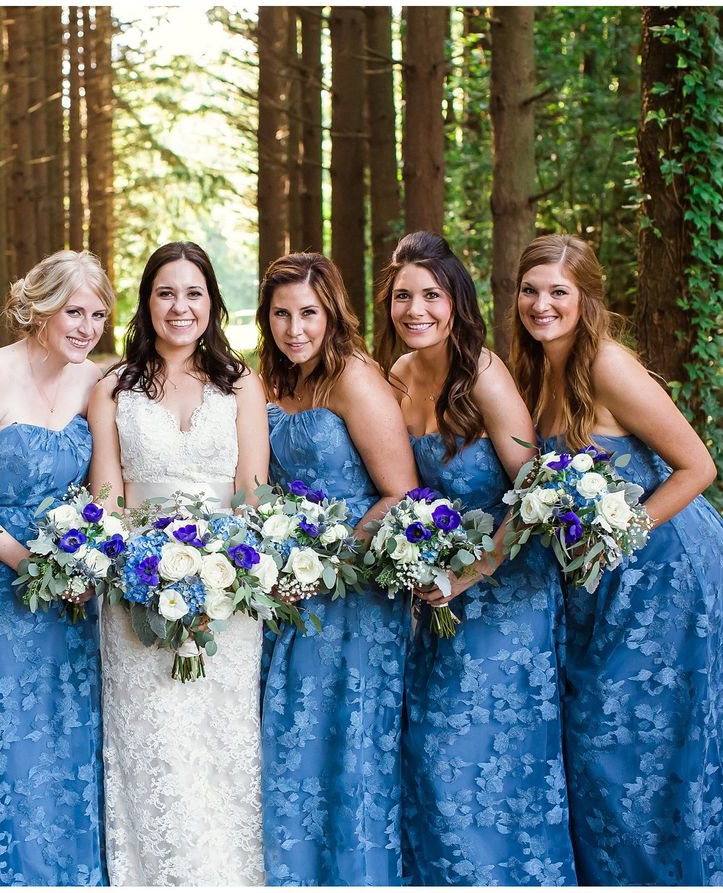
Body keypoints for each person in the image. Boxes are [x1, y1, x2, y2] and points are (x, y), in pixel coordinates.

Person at [510, 233, 723, 885]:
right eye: (530, 290)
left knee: (645, 739)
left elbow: (698, 466)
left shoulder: (608, 364)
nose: (541, 304)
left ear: (586, 298)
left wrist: (618, 533)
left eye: (558, 292)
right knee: (605, 734)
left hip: (668, 562)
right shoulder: (535, 367)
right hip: (599, 574)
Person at [377, 232, 576, 885]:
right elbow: (403, 492)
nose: (416, 309)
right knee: (429, 755)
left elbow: (537, 492)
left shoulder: (484, 374)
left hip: (506, 584)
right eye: (403, 295)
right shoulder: (399, 378)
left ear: (456, 301)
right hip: (436, 594)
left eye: (431, 294)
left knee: (475, 755)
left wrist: (475, 569)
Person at [87, 241, 269, 885]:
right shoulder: (112, 388)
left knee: (222, 747)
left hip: (229, 591)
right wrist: (132, 563)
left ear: (213, 304)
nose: (180, 307)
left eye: (193, 293)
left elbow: (253, 495)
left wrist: (235, 570)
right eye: (166, 293)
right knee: (156, 748)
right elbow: (106, 500)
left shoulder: (242, 384)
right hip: (138, 590)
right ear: (146, 304)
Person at [0, 250, 113, 884]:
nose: (87, 326)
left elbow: (104, 491)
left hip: (71, 593)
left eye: (97, 314)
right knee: (5, 740)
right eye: (74, 311)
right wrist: (30, 560)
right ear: (38, 308)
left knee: (65, 741)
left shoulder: (96, 382)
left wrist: (85, 554)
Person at [256, 252, 418, 885]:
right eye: (281, 314)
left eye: (309, 314)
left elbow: (401, 492)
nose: (295, 329)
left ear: (332, 314)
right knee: (292, 738)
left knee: (348, 742)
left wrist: (326, 561)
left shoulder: (354, 379)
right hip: (286, 585)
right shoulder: (270, 382)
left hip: (354, 590)